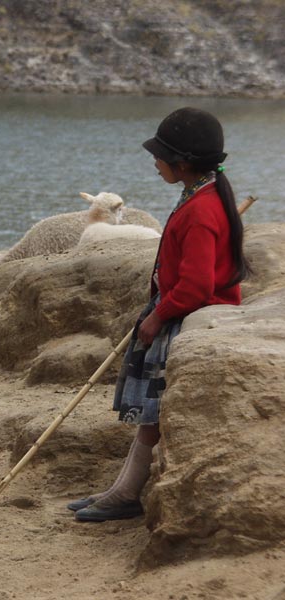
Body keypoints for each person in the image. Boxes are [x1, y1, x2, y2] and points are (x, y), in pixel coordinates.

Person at [70, 107, 249, 522]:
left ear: (182, 163)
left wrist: (157, 316)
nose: (154, 163)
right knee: (150, 414)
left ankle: (127, 493)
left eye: (160, 156)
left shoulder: (203, 210)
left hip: (187, 319)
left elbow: (197, 286)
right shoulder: (200, 194)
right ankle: (122, 489)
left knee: (152, 414)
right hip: (178, 313)